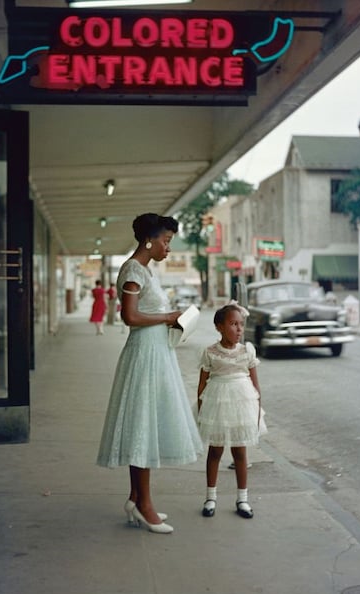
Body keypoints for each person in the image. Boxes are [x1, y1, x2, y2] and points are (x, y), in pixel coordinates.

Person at [97, 213, 203, 534]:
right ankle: (144, 504)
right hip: (144, 353)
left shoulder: (146, 271)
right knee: (142, 426)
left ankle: (135, 497)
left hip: (157, 351)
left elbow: (146, 311)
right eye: (166, 241)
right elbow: (129, 317)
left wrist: (171, 319)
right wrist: (168, 315)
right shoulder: (133, 270)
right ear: (149, 240)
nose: (168, 248)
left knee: (147, 425)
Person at [196, 302, 266, 519]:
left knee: (240, 452)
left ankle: (242, 498)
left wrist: (256, 412)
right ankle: (210, 497)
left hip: (241, 405)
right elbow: (202, 385)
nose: (238, 329)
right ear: (219, 327)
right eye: (233, 324)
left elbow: (255, 387)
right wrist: (201, 413)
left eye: (241, 325)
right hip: (217, 405)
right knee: (215, 451)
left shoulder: (247, 351)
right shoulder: (210, 353)